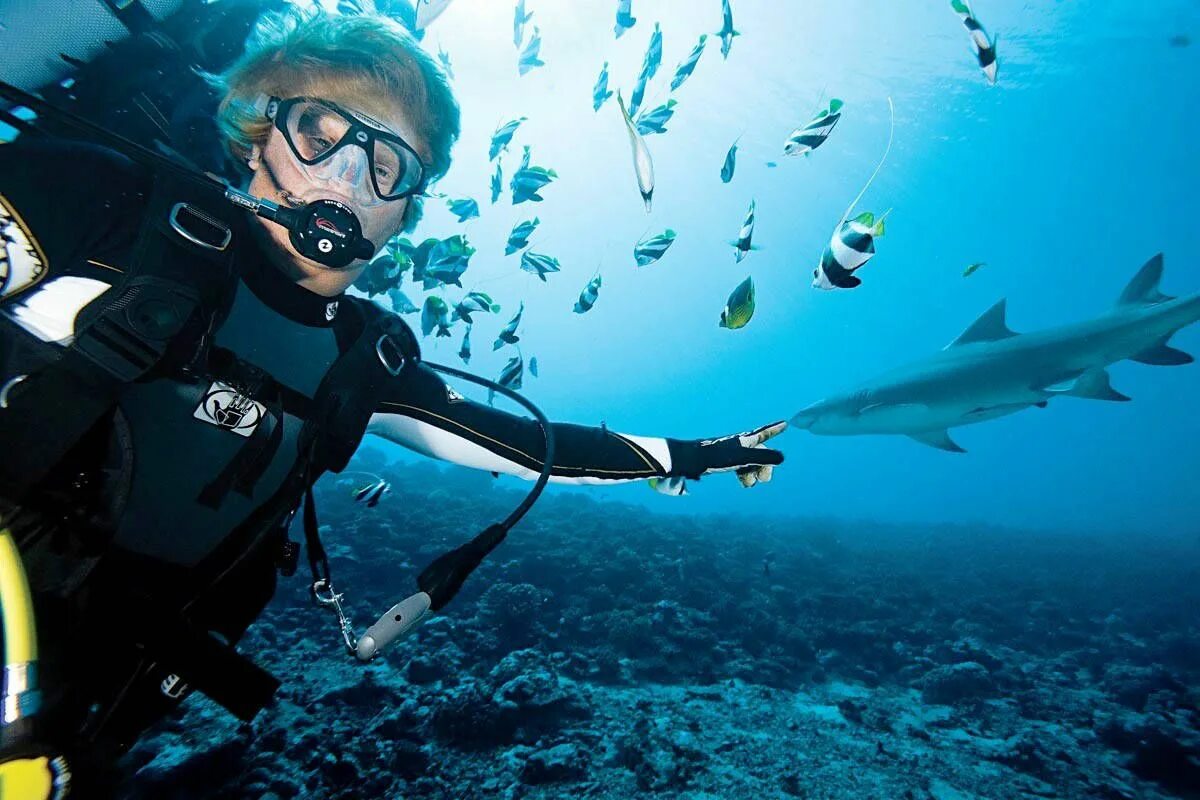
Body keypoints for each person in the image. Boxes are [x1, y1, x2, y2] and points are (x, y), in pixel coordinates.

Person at [0, 8, 785, 797]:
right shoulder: (99, 208)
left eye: (387, 163)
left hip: (87, 728)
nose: (345, 176)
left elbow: (530, 448)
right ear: (253, 135)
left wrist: (704, 455)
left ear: (407, 208)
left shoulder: (361, 367)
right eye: (318, 130)